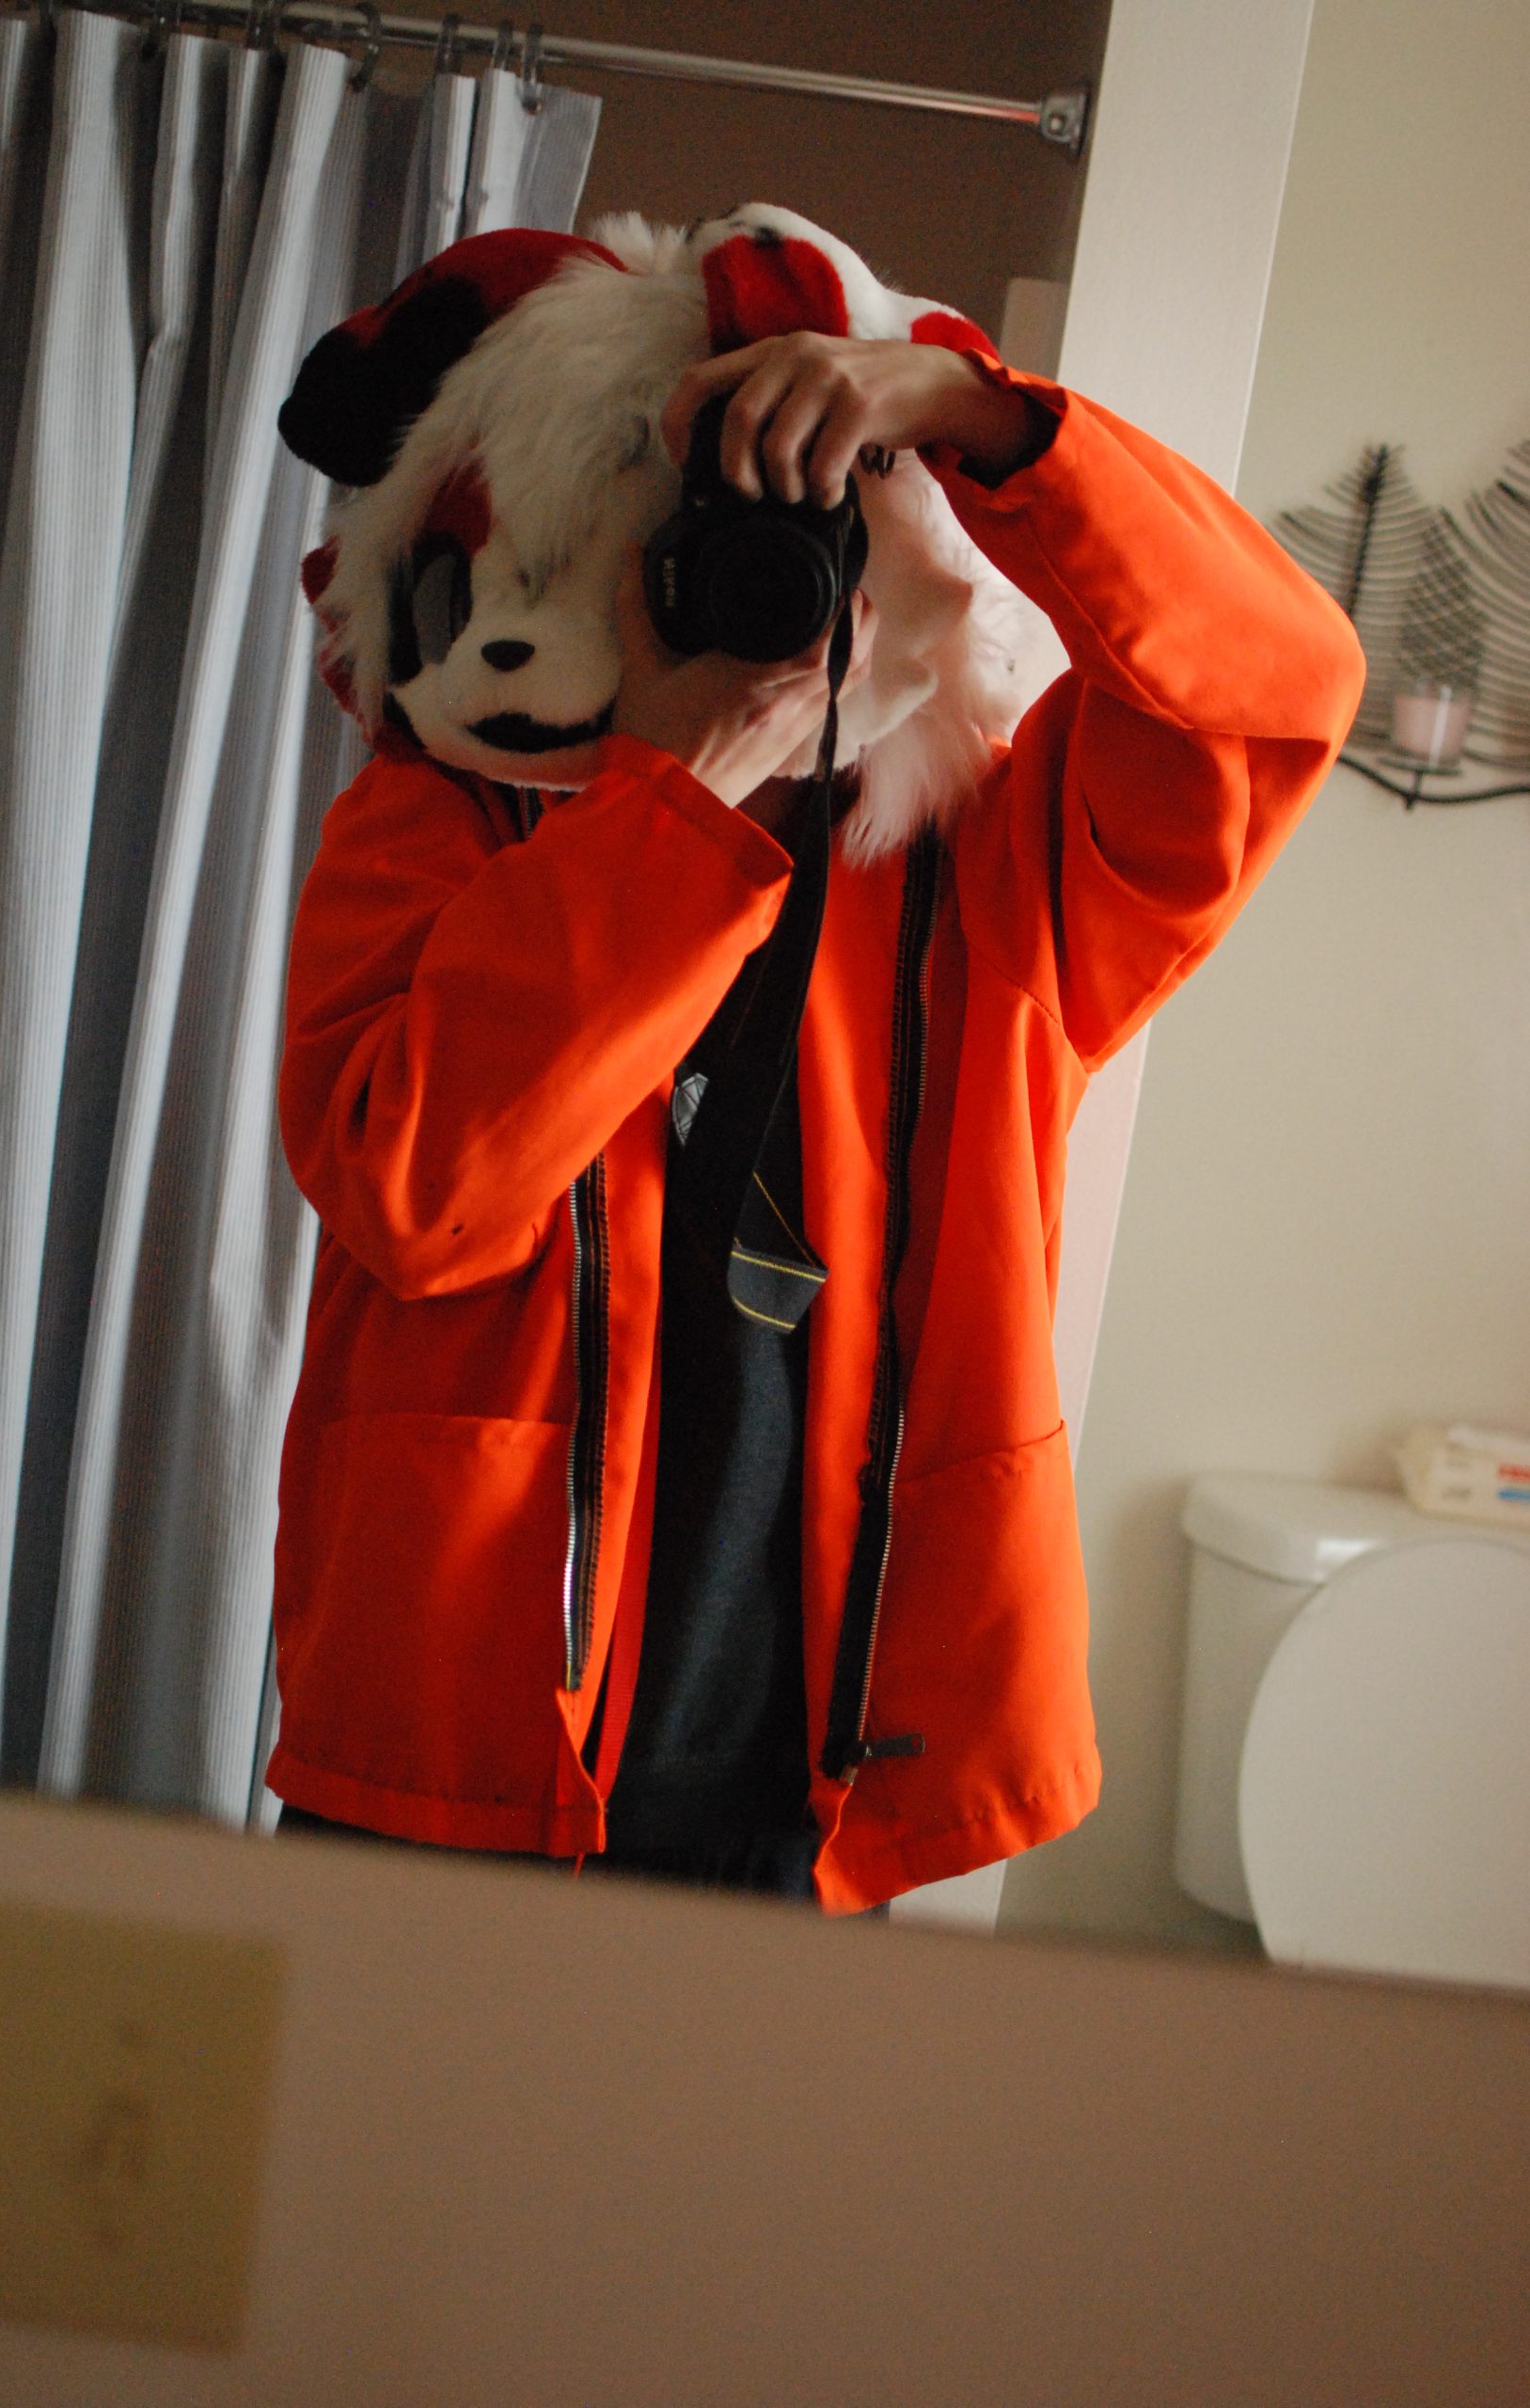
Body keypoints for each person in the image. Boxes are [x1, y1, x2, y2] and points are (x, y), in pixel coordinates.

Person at [265, 205, 1364, 1913]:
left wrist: (981, 417)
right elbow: (419, 1193)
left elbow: (1274, 686)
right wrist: (679, 796)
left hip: (819, 1757)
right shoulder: (436, 832)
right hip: (464, 1740)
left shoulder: (990, 870)